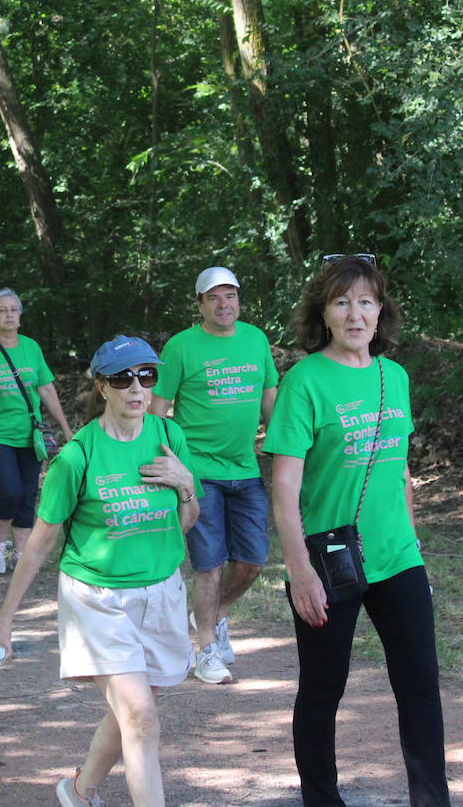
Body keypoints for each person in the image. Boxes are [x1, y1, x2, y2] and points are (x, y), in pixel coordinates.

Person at [0, 335, 199, 807]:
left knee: (134, 711)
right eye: (122, 378)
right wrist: (4, 622)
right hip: (98, 600)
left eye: (146, 376)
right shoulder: (76, 457)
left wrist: (185, 487)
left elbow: (184, 523)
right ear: (102, 387)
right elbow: (38, 546)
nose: (136, 388)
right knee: (140, 716)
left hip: (161, 591)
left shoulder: (169, 437)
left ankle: (80, 791)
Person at [265, 254, 448, 807]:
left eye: (366, 301)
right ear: (323, 312)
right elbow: (284, 489)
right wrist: (299, 571)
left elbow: (401, 472)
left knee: (420, 688)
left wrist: (413, 543)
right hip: (328, 558)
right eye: (342, 301)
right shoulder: (304, 382)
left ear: (380, 310)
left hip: (397, 556)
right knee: (324, 688)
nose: (355, 313)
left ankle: (431, 800)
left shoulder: (396, 377)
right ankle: (322, 799)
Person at [150, 266, 278, 684]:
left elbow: (269, 400)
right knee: (209, 564)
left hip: (245, 467)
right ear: (200, 304)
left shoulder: (256, 339)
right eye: (214, 298)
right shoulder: (181, 347)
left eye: (230, 297)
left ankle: (214, 615)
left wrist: (288, 448)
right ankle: (206, 649)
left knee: (254, 560)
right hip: (199, 472)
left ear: (239, 300)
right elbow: (158, 410)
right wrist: (170, 466)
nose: (224, 305)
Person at [0, 288, 74, 574]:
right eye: (2, 310)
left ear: (20, 316)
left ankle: (21, 553)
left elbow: (46, 388)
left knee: (27, 494)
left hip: (30, 435)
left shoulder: (31, 348)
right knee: (8, 491)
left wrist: (66, 429)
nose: (9, 314)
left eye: (13, 309)